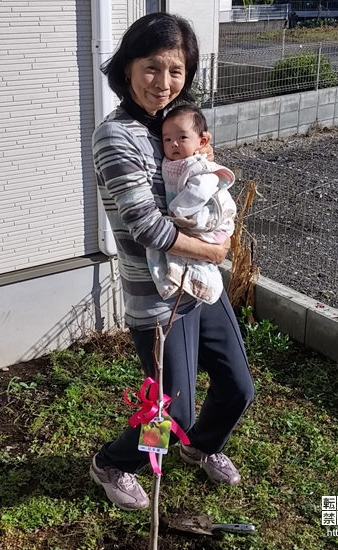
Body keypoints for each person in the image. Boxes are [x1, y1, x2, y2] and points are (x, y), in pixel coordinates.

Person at [90, 12, 255, 512]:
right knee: (169, 408)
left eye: (176, 71)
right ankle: (113, 463)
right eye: (152, 68)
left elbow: (204, 186)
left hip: (201, 284)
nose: (164, 83)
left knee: (237, 387)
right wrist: (217, 250)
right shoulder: (115, 137)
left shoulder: (174, 126)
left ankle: (202, 446)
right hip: (160, 298)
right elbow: (148, 229)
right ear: (127, 69)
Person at [147, 104, 237, 304]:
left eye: (182, 138)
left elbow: (201, 190)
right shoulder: (172, 162)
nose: (174, 144)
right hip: (181, 219)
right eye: (167, 139)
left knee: (199, 245)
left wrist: (177, 211)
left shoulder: (197, 164)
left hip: (195, 214)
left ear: (202, 140)